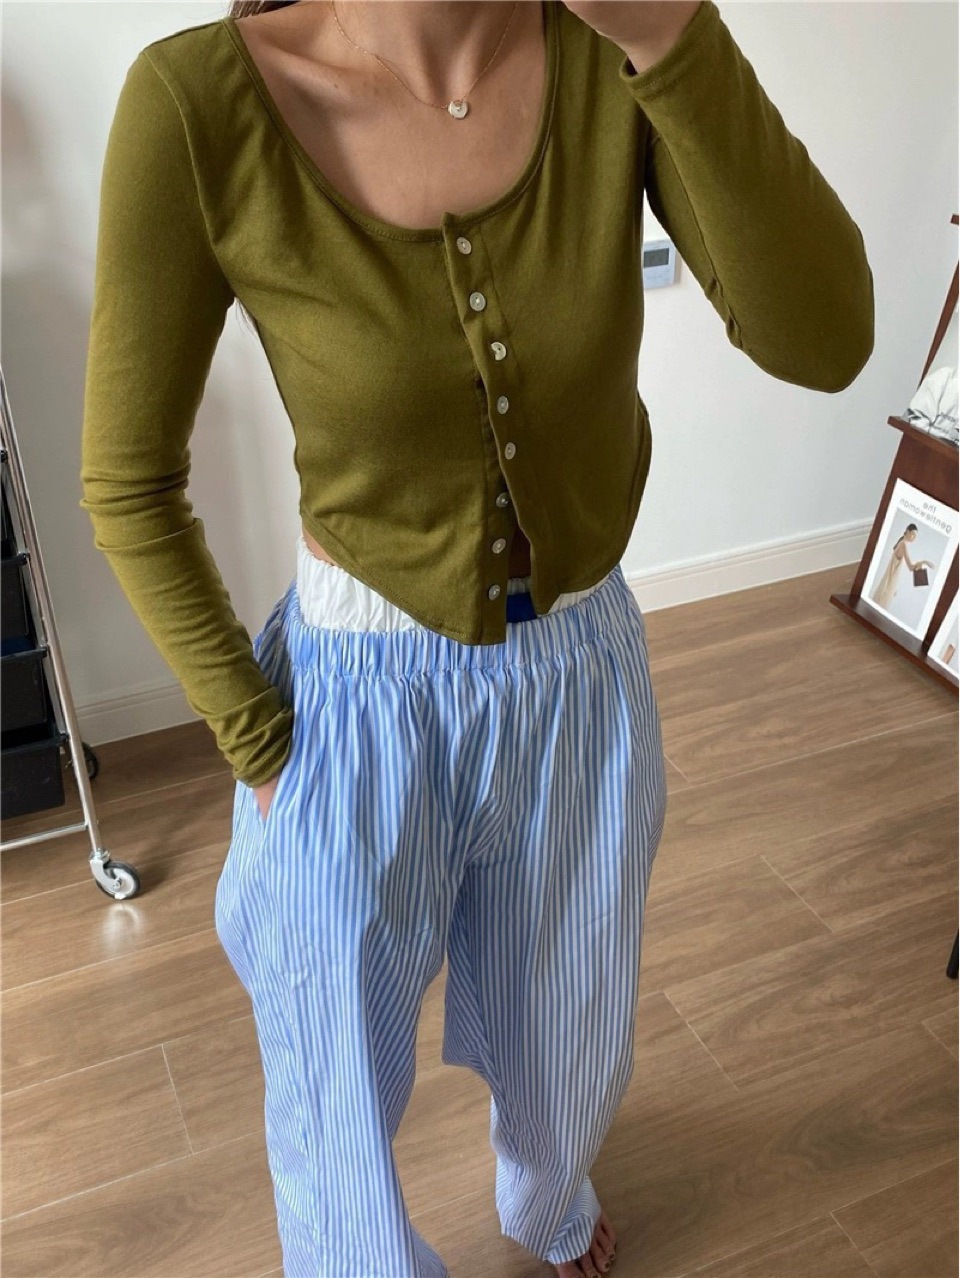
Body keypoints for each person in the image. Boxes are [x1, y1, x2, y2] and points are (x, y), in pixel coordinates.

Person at [79, 1, 875, 1274]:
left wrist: (673, 38)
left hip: (583, 672)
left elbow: (828, 342)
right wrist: (262, 745)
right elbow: (127, 483)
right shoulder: (197, 102)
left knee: (573, 1023)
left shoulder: (609, 49)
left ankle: (546, 1192)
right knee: (334, 1076)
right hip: (352, 701)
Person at [871, 523, 933, 610]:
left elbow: (895, 568)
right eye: (913, 534)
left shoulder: (901, 544)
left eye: (915, 536)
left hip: (889, 584)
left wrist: (894, 587)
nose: (914, 538)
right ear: (907, 531)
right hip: (888, 586)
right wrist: (925, 562)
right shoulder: (903, 545)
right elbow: (911, 567)